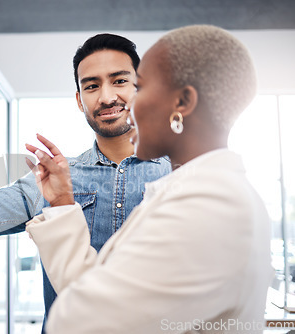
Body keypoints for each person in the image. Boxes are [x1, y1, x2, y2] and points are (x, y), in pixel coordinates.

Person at [0, 34, 171, 327]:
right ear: (80, 101)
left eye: (119, 81)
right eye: (92, 86)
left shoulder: (181, 175)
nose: (106, 97)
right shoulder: (53, 178)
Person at [25, 25, 273, 333]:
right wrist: (62, 203)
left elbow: (85, 322)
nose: (124, 104)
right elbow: (99, 295)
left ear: (181, 103)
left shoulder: (212, 205)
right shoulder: (195, 190)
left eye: (138, 86)